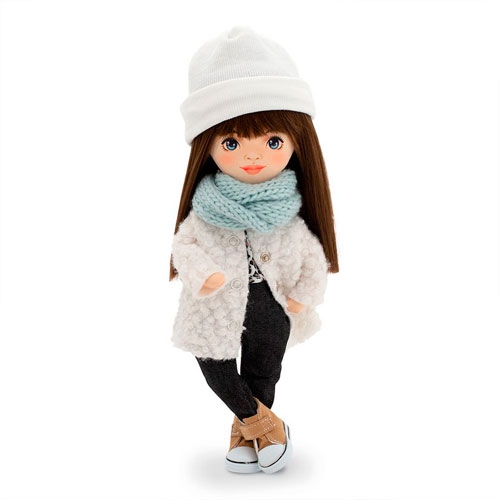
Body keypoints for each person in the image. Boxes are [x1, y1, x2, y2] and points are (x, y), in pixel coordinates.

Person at [170, 26, 338, 474]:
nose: (252, 155)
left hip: (272, 302)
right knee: (215, 365)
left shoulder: (287, 211)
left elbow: (311, 256)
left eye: (272, 141)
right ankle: (268, 427)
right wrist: (203, 273)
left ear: (297, 142)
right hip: (213, 303)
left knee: (264, 369)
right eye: (231, 142)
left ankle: (245, 438)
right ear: (206, 146)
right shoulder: (206, 210)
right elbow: (184, 244)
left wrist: (304, 294)